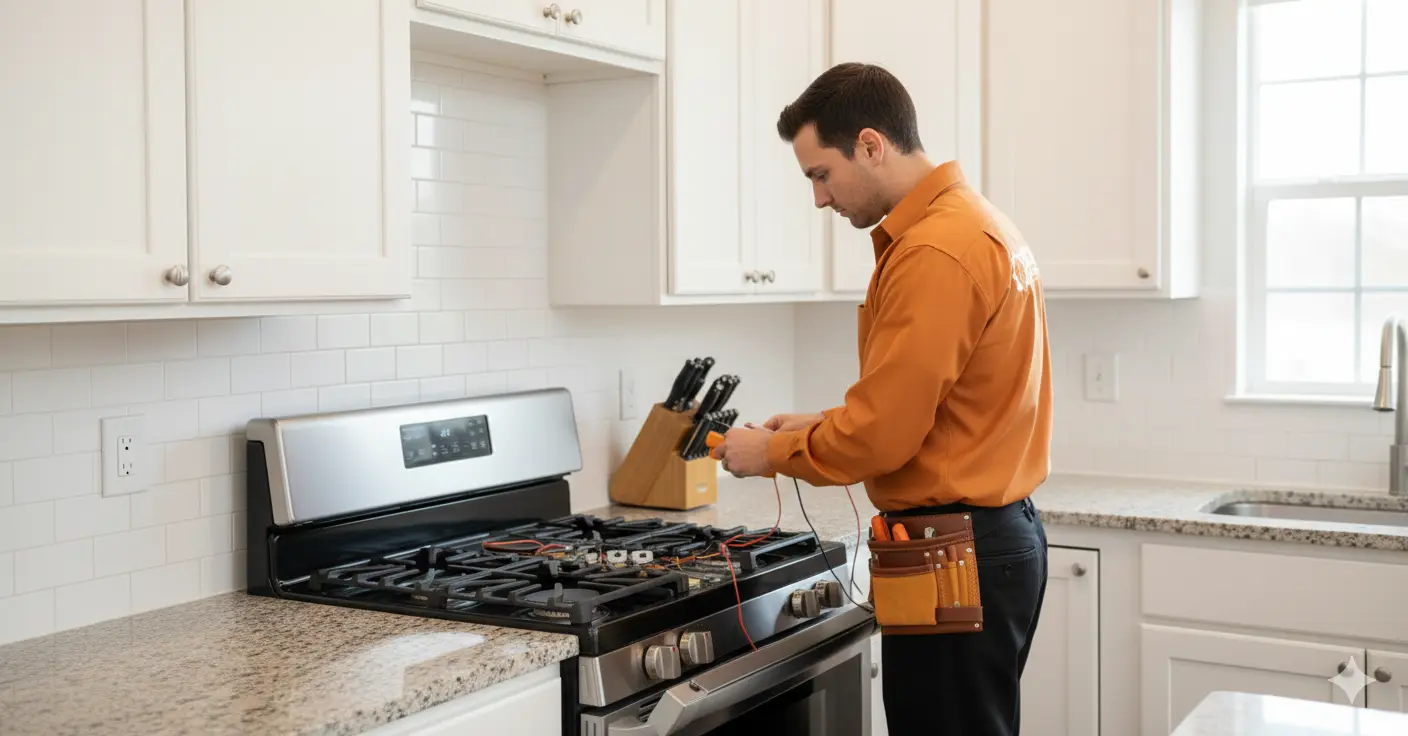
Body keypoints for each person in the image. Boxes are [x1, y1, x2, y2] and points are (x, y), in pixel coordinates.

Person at [711, 62, 1053, 735]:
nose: (818, 198)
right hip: (992, 541)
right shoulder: (976, 223)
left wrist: (770, 451)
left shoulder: (935, 252)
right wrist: (817, 423)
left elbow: (882, 437)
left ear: (871, 145)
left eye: (820, 174)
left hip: (954, 553)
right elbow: (936, 405)